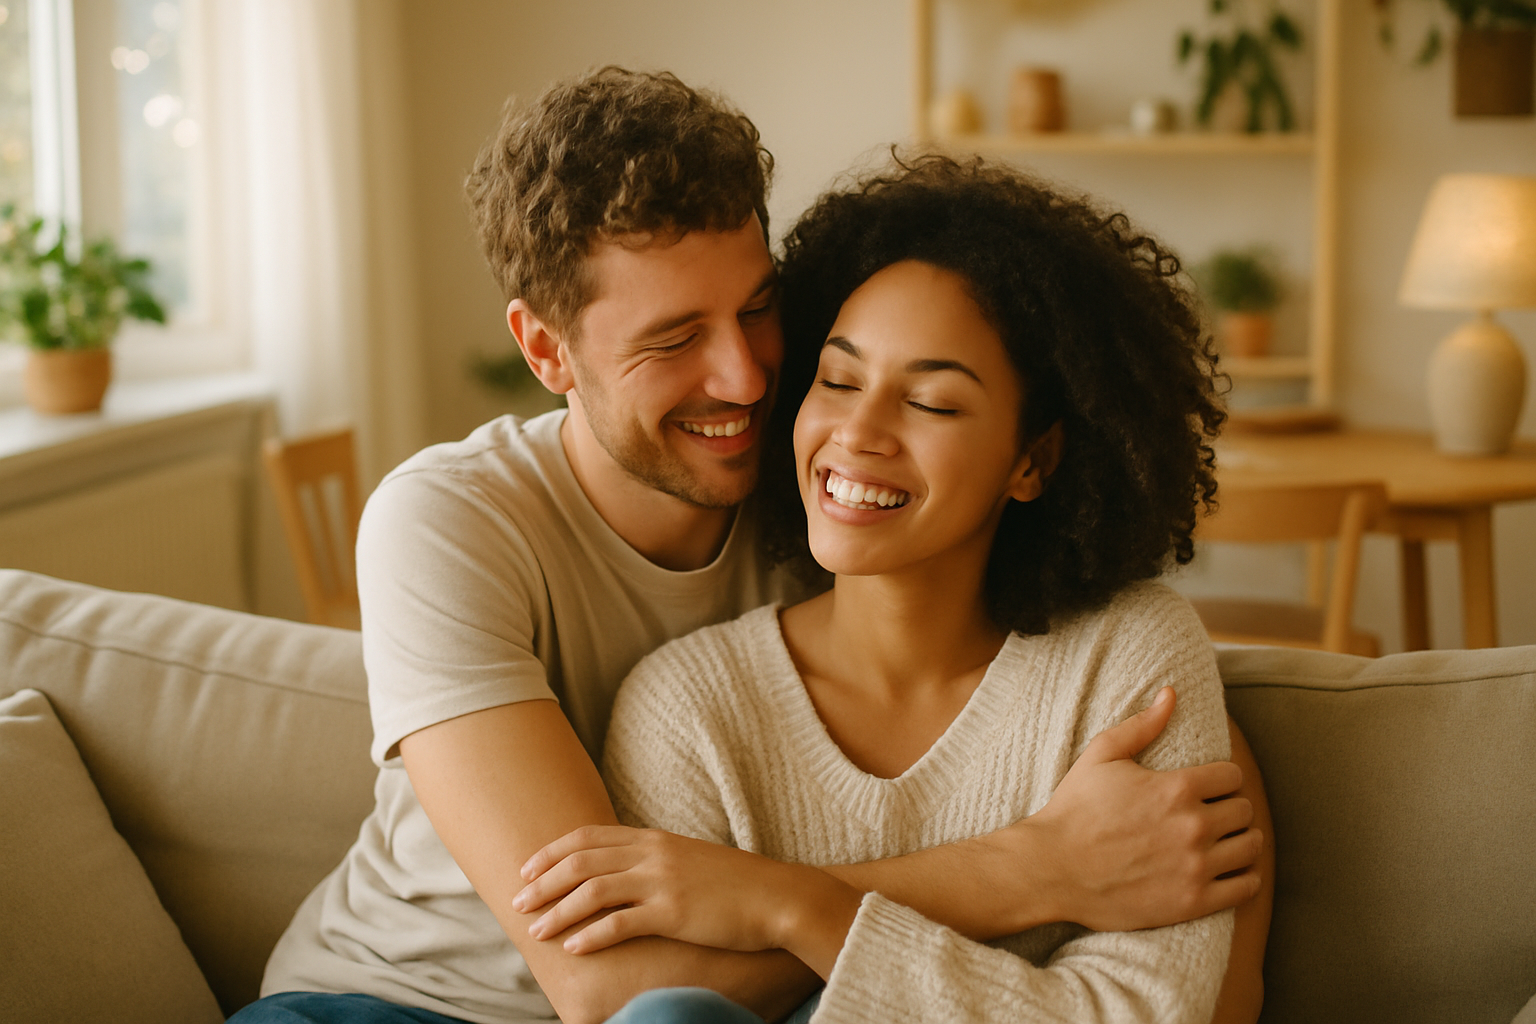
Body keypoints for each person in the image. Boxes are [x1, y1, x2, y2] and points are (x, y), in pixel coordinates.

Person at [233, 69, 1268, 1024]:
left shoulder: (830, 487)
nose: (744, 378)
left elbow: (1131, 732)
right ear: (546, 348)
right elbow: (606, 980)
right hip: (393, 1002)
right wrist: (1035, 869)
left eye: (762, 311)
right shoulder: (450, 523)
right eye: (675, 340)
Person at [511, 154, 1269, 1024]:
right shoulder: (688, 708)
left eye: (934, 404)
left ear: (1033, 459)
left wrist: (787, 906)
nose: (858, 432)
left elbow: (1147, 1013)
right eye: (836, 381)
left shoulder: (1129, 660)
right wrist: (1036, 871)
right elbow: (646, 1003)